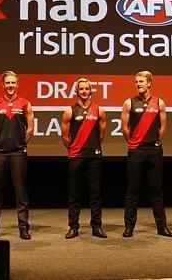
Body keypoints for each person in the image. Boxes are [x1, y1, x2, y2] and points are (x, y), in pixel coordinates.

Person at [121, 71, 172, 238]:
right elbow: (124, 128)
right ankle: (129, 227)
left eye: (141, 81)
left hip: (154, 151)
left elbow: (163, 127)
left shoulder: (160, 103)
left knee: (157, 191)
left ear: (149, 83)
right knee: (132, 192)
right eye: (136, 82)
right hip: (136, 151)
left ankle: (161, 227)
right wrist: (134, 143)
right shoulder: (129, 103)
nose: (138, 84)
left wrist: (156, 142)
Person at [0, 71, 34, 240]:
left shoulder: (25, 104)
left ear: (17, 84)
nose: (11, 85)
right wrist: (0, 141)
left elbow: (30, 129)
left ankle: (23, 228)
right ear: (3, 84)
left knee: (21, 193)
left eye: (13, 82)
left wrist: (21, 143)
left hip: (18, 153)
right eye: (8, 83)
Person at [60, 78, 107, 239]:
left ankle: (97, 226)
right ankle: (73, 227)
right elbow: (65, 136)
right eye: (81, 89)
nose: (84, 91)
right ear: (77, 91)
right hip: (76, 157)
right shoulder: (70, 111)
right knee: (75, 194)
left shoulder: (99, 110)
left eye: (87, 88)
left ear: (91, 91)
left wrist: (91, 147)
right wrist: (75, 149)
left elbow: (101, 135)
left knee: (95, 193)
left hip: (94, 157)